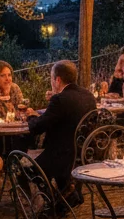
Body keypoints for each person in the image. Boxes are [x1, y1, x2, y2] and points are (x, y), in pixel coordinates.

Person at [24, 60, 96, 204]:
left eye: (51, 79)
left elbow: (38, 127)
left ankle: (55, 203)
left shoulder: (60, 99)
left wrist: (31, 116)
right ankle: (68, 194)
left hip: (62, 156)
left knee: (29, 171)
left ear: (57, 80)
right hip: (84, 152)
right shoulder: (88, 95)